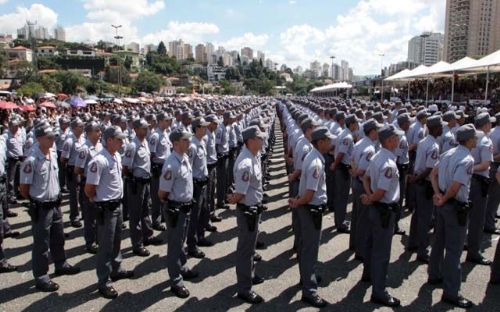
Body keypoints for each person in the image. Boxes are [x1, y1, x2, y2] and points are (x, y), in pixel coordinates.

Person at [20, 125, 80, 292]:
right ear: (39, 139)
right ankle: (41, 277)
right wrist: (36, 203)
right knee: (41, 243)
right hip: (42, 207)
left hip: (55, 204)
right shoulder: (32, 160)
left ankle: (60, 264)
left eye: (53, 137)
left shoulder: (53, 153)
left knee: (58, 238)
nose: (53, 139)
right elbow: (23, 188)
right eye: (49, 137)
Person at [428, 124, 476, 309]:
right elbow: (456, 186)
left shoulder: (448, 153)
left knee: (439, 242)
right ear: (470, 140)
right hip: (454, 206)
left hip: (443, 204)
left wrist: (438, 194)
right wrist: (444, 197)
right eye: (475, 138)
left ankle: (434, 275)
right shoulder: (467, 158)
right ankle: (451, 292)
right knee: (454, 251)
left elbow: (433, 174)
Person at [85, 126, 134, 299]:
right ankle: (104, 281)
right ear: (109, 140)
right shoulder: (99, 160)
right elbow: (89, 189)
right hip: (106, 207)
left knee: (116, 242)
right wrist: (98, 202)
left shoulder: (116, 156)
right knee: (105, 246)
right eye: (119, 139)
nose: (122, 142)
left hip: (117, 205)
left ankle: (116, 268)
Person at [289, 126, 333, 308]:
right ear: (320, 142)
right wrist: (299, 202)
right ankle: (309, 290)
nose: (331, 143)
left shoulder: (314, 157)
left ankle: (307, 277)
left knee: (307, 247)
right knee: (310, 249)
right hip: (310, 209)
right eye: (328, 140)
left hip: (309, 208)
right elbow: (309, 193)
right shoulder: (315, 162)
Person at [361, 125, 402, 308]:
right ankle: (379, 291)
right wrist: (372, 197)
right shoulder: (388, 163)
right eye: (396, 137)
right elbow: (382, 190)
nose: (398, 140)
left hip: (376, 208)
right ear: (389, 140)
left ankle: (369, 274)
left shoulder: (378, 156)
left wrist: (370, 197)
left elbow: (366, 178)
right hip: (384, 209)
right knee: (382, 252)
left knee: (371, 244)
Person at [228, 125, 267, 304]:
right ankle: (244, 288)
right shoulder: (245, 163)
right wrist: (231, 199)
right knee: (245, 250)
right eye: (260, 138)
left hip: (253, 209)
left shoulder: (253, 156)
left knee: (250, 248)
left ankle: (249, 275)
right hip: (247, 212)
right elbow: (240, 194)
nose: (263, 140)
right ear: (251, 141)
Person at [158, 129, 198, 299]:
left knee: (180, 241)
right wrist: (174, 203)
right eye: (185, 140)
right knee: (175, 245)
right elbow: (162, 193)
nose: (188, 142)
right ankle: (176, 281)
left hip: (185, 207)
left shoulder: (184, 157)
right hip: (176, 209)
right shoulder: (171, 164)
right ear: (175, 143)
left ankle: (182, 268)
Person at [122, 119, 162, 257]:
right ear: (136, 129)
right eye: (144, 128)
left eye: (147, 128)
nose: (147, 130)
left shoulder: (144, 142)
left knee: (145, 210)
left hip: (145, 181)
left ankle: (148, 235)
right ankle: (137, 244)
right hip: (136, 183)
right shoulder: (132, 145)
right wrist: (132, 178)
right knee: (135, 214)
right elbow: (125, 167)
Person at [408, 115, 444, 263]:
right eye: (441, 126)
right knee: (424, 218)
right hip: (424, 182)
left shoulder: (424, 141)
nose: (442, 128)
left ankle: (413, 242)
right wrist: (417, 178)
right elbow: (430, 169)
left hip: (419, 181)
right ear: (435, 128)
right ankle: (423, 250)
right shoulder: (433, 145)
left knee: (417, 215)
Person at [350, 119, 380, 260]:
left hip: (356, 183)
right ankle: (361, 251)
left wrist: (354, 171)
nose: (378, 133)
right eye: (377, 130)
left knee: (356, 216)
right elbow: (363, 170)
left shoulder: (360, 143)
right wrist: (357, 172)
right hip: (362, 185)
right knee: (363, 219)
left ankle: (354, 244)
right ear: (372, 131)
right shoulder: (370, 148)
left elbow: (351, 160)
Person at [467, 112, 494, 265]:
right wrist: (469, 168)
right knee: (477, 219)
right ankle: (473, 251)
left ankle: (466, 243)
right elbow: (485, 165)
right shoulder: (485, 140)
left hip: (468, 180)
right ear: (485, 125)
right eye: (490, 123)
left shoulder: (470, 136)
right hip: (478, 181)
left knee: (467, 216)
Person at [75, 121, 103, 254]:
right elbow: (77, 169)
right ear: (89, 133)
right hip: (88, 182)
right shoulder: (84, 149)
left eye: (99, 130)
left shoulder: (100, 146)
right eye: (97, 130)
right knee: (90, 215)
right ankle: (90, 242)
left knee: (98, 213)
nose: (99, 133)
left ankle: (98, 238)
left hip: (99, 183)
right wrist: (88, 177)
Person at [186, 117, 212, 258]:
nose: (206, 129)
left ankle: (200, 237)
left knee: (203, 211)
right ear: (196, 128)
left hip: (203, 182)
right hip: (196, 184)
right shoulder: (192, 146)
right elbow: (188, 168)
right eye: (203, 127)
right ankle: (192, 245)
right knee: (194, 216)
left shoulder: (202, 142)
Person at [332, 114, 359, 233]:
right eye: (356, 123)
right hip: (343, 168)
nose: (357, 125)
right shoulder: (347, 136)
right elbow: (341, 154)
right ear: (351, 124)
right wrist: (335, 164)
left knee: (341, 196)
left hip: (342, 167)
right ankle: (340, 223)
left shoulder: (345, 133)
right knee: (342, 197)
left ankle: (339, 220)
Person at [60, 118, 86, 228]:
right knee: (74, 195)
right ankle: (74, 217)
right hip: (73, 170)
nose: (83, 128)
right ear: (75, 128)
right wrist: (71, 167)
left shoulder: (83, 138)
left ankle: (85, 214)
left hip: (82, 169)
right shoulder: (69, 141)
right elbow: (63, 159)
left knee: (83, 194)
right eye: (80, 126)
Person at [149, 113, 172, 231]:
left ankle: (163, 217)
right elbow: (151, 154)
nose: (168, 122)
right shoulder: (155, 135)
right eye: (165, 120)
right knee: (157, 195)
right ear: (159, 121)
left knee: (165, 193)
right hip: (158, 167)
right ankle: (156, 221)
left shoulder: (165, 134)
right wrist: (154, 168)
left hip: (166, 167)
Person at [0, 134, 17, 274]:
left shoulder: (1, 140)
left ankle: (6, 229)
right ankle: (1, 261)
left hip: (1, 180)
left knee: (4, 210)